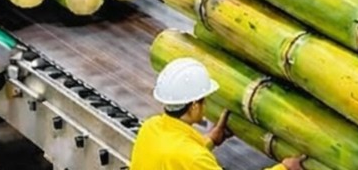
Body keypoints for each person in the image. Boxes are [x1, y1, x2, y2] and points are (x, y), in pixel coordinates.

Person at [130, 58, 303, 170]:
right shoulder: (195, 158)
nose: (206, 104)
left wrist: (211, 139)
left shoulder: (150, 127)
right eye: (203, 100)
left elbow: (178, 157)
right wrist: (284, 168)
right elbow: (189, 159)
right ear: (194, 106)